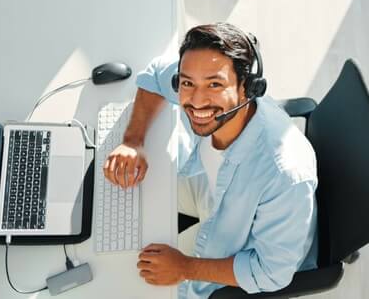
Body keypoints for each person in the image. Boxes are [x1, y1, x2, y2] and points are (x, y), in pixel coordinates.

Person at [104, 23, 317, 298]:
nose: (197, 101)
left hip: (237, 245)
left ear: (248, 88)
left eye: (215, 85)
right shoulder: (202, 92)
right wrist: (133, 140)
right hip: (206, 188)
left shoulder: (283, 174)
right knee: (109, 202)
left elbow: (271, 272)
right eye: (187, 83)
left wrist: (185, 267)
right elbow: (156, 74)